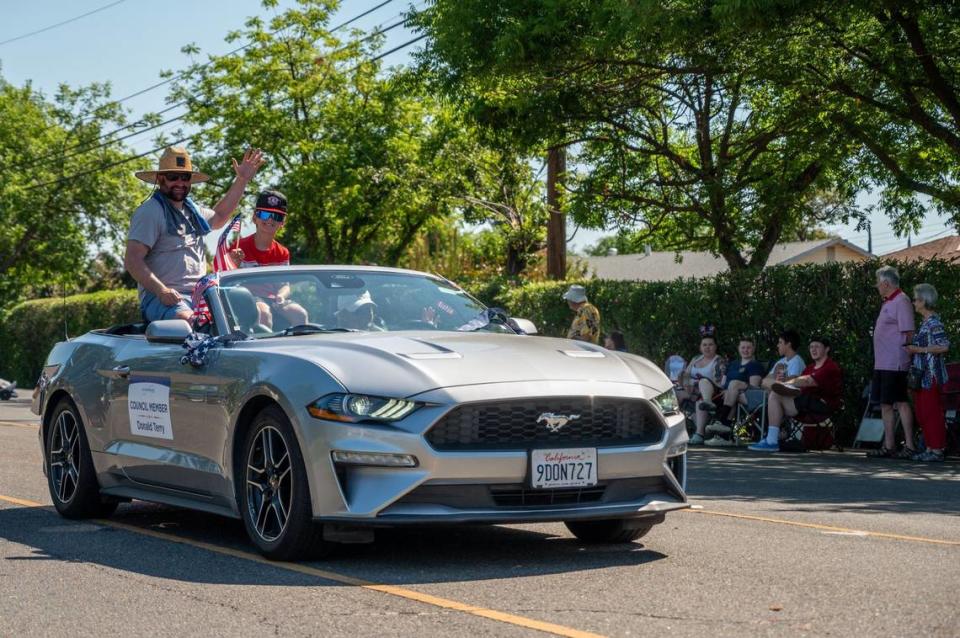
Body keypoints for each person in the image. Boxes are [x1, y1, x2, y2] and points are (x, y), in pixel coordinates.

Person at [125, 146, 265, 321]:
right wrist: (162, 291)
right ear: (160, 179)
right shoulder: (150, 212)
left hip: (203, 295)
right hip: (165, 298)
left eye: (185, 177)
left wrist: (242, 179)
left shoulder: (193, 211)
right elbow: (132, 260)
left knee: (258, 316)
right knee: (192, 321)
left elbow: (220, 216)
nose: (180, 183)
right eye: (172, 177)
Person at [229, 189, 308, 329]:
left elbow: (285, 285)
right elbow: (226, 281)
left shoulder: (282, 252)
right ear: (255, 218)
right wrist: (233, 263)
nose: (270, 220)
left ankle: (295, 349)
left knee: (300, 314)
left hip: (274, 298)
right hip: (248, 298)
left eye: (277, 216)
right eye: (264, 214)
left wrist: (281, 296)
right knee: (264, 313)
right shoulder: (238, 247)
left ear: (282, 222)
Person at [749, 336, 842, 452]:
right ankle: (772, 439)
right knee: (774, 394)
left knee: (775, 394)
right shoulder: (810, 367)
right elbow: (800, 381)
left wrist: (785, 382)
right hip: (805, 403)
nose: (813, 350)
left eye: (817, 346)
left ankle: (772, 439)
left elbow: (807, 381)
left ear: (827, 349)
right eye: (811, 347)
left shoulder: (830, 367)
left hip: (822, 405)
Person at [867, 265, 917, 459]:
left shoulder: (901, 300)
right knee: (885, 404)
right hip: (882, 362)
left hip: (895, 362)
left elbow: (909, 332)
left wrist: (905, 358)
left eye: (878, 283)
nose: (877, 287)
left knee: (901, 402)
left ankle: (910, 445)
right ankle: (889, 446)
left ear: (885, 283)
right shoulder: (888, 301)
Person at [904, 283, 950, 462]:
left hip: (931, 375)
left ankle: (937, 450)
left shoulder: (934, 323)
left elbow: (944, 346)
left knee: (931, 413)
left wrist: (919, 350)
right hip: (922, 375)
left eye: (915, 299)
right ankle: (930, 447)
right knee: (923, 412)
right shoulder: (925, 323)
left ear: (923, 300)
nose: (914, 303)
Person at [703, 337, 765, 444]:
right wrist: (726, 389)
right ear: (738, 348)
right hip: (728, 395)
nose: (745, 350)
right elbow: (723, 383)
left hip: (747, 396)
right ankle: (723, 435)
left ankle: (722, 423)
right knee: (704, 382)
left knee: (734, 385)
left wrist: (732, 389)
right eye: (743, 347)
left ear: (753, 349)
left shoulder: (755, 365)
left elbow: (754, 386)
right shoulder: (733, 364)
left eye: (748, 348)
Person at [678, 326, 725, 445]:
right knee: (673, 394)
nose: (707, 347)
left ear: (715, 347)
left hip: (711, 392)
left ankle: (699, 434)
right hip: (692, 391)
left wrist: (699, 381)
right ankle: (672, 429)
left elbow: (719, 382)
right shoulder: (695, 359)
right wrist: (687, 384)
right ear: (700, 347)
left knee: (702, 388)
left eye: (710, 345)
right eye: (704, 345)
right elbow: (686, 375)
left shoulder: (719, 360)